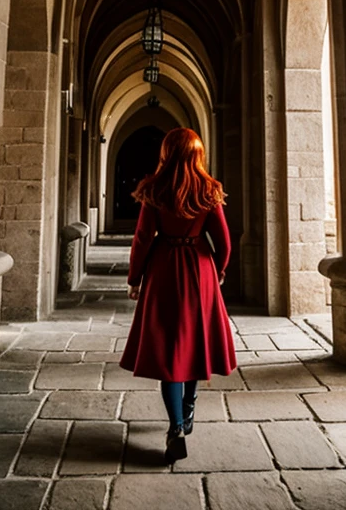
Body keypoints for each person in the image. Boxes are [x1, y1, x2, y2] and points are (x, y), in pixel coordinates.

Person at [119, 127, 236, 463]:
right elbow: (224, 242)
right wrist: (220, 269)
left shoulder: (153, 189)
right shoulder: (210, 190)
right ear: (197, 154)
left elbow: (142, 239)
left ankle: (176, 428)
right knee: (196, 343)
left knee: (170, 352)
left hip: (164, 268)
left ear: (167, 153)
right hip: (200, 268)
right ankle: (189, 407)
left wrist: (135, 278)